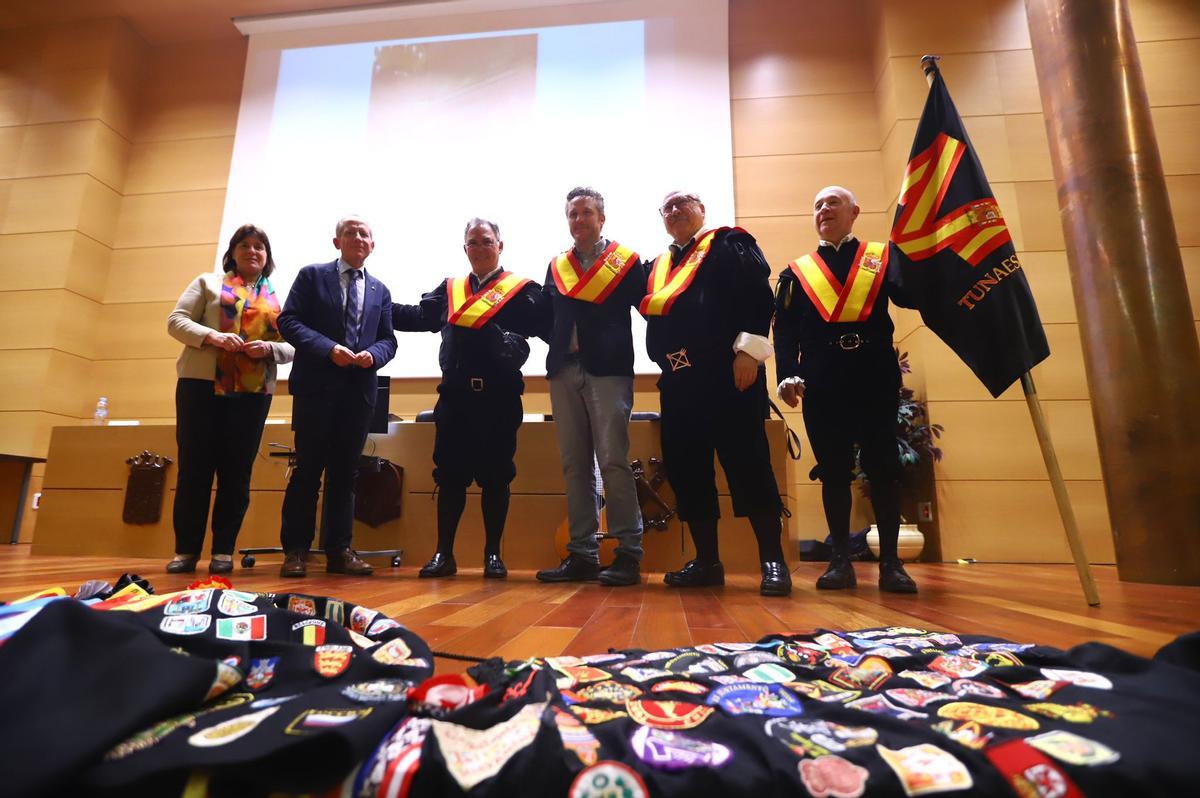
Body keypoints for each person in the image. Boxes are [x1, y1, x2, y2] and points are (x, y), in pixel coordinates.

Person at [642, 191, 791, 597]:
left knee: (750, 467)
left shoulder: (729, 243)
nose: (674, 211)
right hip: (678, 385)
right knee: (689, 473)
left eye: (682, 203)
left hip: (729, 377)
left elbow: (760, 299)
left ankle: (773, 561)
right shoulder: (657, 267)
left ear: (702, 211)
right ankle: (707, 561)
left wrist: (747, 352)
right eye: (667, 207)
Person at [774, 185, 919, 594]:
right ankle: (840, 561)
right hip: (822, 379)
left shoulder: (881, 258)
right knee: (833, 470)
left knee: (883, 467)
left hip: (874, 374)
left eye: (832, 202)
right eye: (817, 204)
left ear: (854, 211)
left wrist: (915, 256)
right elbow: (784, 331)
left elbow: (909, 297)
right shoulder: (795, 273)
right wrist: (787, 373)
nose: (823, 209)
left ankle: (891, 563)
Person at [393, 218, 545, 579]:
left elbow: (542, 330)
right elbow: (419, 317)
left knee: (497, 477)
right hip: (456, 398)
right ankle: (443, 553)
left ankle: (493, 555)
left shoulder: (523, 290)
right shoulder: (450, 289)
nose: (479, 248)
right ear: (465, 249)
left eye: (486, 241)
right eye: (472, 243)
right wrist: (377, 301)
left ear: (500, 245)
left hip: (500, 399)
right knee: (449, 477)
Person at [165, 224, 295, 574]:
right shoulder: (208, 283)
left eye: (259, 247)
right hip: (200, 388)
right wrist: (213, 337)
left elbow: (292, 346)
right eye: (244, 245)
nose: (252, 251)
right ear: (232, 252)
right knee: (194, 470)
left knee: (236, 474)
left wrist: (269, 347)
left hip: (252, 395)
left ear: (267, 257)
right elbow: (175, 322)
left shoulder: (277, 300)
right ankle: (186, 551)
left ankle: (223, 550)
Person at [536, 187, 646, 587]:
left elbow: (652, 308)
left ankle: (628, 552)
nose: (579, 220)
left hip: (609, 371)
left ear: (602, 218)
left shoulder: (626, 263)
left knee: (613, 460)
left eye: (585, 213)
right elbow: (547, 319)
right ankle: (582, 553)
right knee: (574, 464)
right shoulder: (556, 266)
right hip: (565, 371)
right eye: (572, 214)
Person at [277, 216, 397, 578]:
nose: (358, 238)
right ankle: (296, 551)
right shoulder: (312, 276)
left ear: (372, 246)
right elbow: (289, 321)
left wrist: (373, 356)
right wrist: (329, 349)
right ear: (337, 241)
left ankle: (339, 551)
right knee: (307, 472)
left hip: (358, 394)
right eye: (350, 232)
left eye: (365, 234)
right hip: (317, 389)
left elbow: (388, 339)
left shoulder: (380, 290)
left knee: (345, 476)